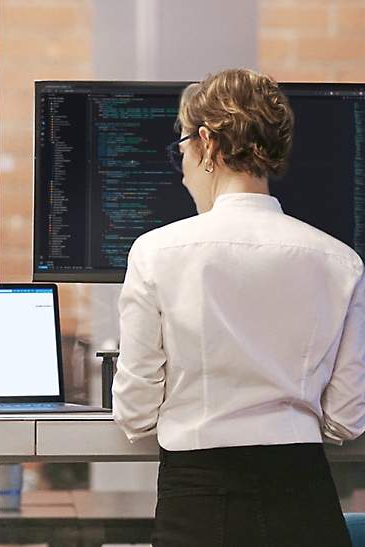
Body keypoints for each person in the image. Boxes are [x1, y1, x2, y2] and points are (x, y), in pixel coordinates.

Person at [112, 68, 365, 547]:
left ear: (207, 143)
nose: (182, 163)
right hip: (306, 498)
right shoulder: (340, 261)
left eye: (183, 146)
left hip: (201, 501)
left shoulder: (157, 252)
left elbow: (136, 413)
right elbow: (346, 419)